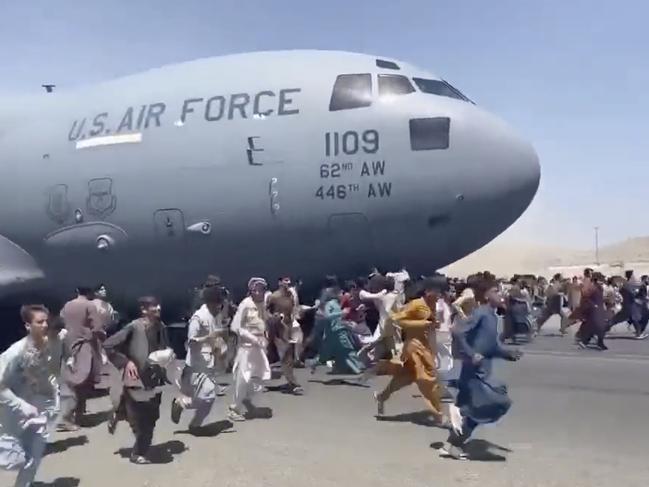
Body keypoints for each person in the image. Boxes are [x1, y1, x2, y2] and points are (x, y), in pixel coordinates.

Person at [440, 281, 522, 460]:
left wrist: (507, 354)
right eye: (495, 291)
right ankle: (457, 413)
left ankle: (451, 444)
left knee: (476, 411)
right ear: (485, 296)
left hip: (483, 370)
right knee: (494, 403)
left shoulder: (493, 317)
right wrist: (471, 353)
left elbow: (490, 346)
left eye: (500, 291)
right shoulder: (480, 313)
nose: (500, 294)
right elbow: (458, 332)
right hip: (474, 371)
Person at [103, 297, 171, 464]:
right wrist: (126, 362)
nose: (158, 308)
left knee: (153, 416)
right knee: (143, 422)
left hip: (154, 380)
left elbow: (166, 348)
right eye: (153, 306)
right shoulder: (133, 328)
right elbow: (108, 345)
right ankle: (138, 453)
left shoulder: (161, 327)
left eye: (158, 304)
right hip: (135, 380)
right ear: (144, 310)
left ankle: (118, 413)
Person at [373, 278, 448, 426]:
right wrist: (422, 324)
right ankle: (439, 415)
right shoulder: (416, 304)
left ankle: (381, 397)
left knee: (404, 378)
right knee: (427, 379)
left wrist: (433, 324)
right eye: (437, 291)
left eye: (441, 291)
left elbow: (430, 324)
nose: (439, 294)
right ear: (428, 291)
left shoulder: (432, 305)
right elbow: (395, 319)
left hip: (426, 346)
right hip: (414, 347)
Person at [0, 305, 61, 487]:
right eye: (39, 322)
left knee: (34, 456)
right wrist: (21, 405)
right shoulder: (15, 352)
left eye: (46, 321)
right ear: (28, 326)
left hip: (37, 410)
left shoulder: (47, 346)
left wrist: (55, 396)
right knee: (11, 460)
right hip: (11, 411)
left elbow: (49, 374)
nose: (45, 325)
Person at [171, 285, 230, 430]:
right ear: (212, 302)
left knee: (206, 397)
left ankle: (193, 421)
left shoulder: (214, 316)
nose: (221, 306)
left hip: (208, 364)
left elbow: (216, 338)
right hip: (196, 366)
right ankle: (183, 406)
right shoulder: (198, 317)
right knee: (208, 397)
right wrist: (207, 338)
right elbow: (191, 341)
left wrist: (221, 350)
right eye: (219, 303)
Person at [58, 286, 104, 431]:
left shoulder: (67, 305)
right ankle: (68, 417)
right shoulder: (90, 306)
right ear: (90, 292)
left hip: (69, 345)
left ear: (77, 291)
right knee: (81, 381)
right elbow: (97, 327)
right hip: (85, 346)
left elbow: (61, 322)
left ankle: (78, 416)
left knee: (75, 381)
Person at [228, 278, 272, 422]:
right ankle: (234, 408)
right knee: (243, 378)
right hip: (246, 348)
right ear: (251, 290)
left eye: (261, 289)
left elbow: (264, 323)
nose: (258, 292)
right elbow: (235, 326)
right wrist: (252, 338)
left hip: (260, 348)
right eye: (255, 289)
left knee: (261, 377)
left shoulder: (264, 304)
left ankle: (247, 399)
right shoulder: (245, 304)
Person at [310, 285, 364, 375]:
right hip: (333, 332)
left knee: (344, 350)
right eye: (341, 293)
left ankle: (357, 369)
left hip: (337, 331)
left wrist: (345, 323)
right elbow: (327, 316)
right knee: (345, 350)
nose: (343, 295)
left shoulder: (336, 304)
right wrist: (341, 313)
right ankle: (358, 368)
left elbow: (338, 319)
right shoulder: (330, 304)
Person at [266, 276, 303, 395]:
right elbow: (266, 311)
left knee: (287, 356)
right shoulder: (274, 296)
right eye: (285, 280)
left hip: (289, 327)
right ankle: (293, 384)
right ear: (279, 282)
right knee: (287, 356)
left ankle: (290, 381)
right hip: (278, 329)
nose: (287, 283)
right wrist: (274, 319)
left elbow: (293, 311)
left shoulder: (290, 295)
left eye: (289, 280)